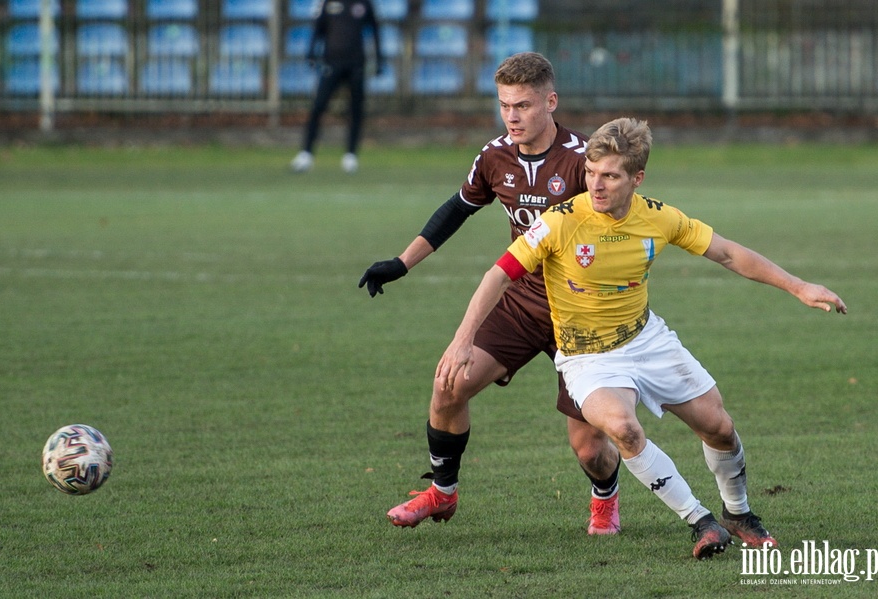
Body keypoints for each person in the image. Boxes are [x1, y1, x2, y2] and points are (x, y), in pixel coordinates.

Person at [434, 117, 847, 559]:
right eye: (591, 173)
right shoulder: (560, 221)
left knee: (720, 428)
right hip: (587, 357)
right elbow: (498, 274)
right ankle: (701, 522)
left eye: (610, 175)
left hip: (647, 340)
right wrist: (463, 339)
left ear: (637, 178)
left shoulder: (658, 217)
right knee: (624, 429)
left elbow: (727, 252)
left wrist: (799, 286)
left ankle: (738, 514)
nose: (596, 184)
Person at [359, 53, 623, 535]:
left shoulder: (585, 160)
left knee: (589, 448)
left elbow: (620, 233)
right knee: (448, 385)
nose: (513, 116)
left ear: (551, 101)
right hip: (520, 304)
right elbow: (455, 210)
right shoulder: (495, 156)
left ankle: (605, 497)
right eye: (504, 105)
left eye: (523, 105)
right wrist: (401, 262)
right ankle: (442, 493)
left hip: (580, 316)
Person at [290, 0, 383, 174]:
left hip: (356, 64)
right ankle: (306, 154)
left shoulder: (364, 3)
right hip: (331, 63)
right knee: (318, 107)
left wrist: (379, 59)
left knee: (356, 109)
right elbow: (319, 29)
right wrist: (311, 53)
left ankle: (351, 156)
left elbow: (374, 30)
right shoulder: (328, 3)